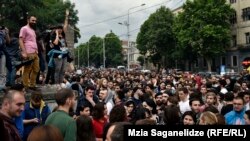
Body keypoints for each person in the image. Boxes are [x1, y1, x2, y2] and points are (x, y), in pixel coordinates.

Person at [46, 9, 71, 84]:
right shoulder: (53, 35)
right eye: (58, 29)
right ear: (56, 29)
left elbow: (66, 26)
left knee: (63, 70)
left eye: (61, 29)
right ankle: (57, 84)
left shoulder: (63, 34)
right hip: (57, 54)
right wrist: (57, 34)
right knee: (58, 69)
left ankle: (60, 83)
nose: (60, 30)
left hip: (64, 54)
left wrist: (66, 16)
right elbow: (56, 43)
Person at [19, 15, 40, 90]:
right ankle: (26, 86)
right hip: (28, 51)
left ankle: (32, 85)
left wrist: (37, 51)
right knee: (27, 69)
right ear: (28, 20)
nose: (34, 22)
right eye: (32, 20)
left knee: (36, 69)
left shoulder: (33, 30)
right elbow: (21, 40)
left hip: (35, 52)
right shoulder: (24, 28)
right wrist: (24, 52)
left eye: (35, 21)